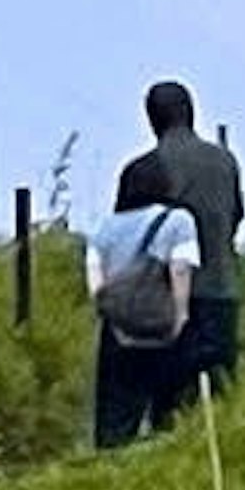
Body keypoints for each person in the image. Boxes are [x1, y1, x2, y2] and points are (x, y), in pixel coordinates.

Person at [115, 80, 245, 400]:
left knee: (168, 404)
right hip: (221, 297)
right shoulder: (225, 163)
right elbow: (235, 217)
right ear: (191, 113)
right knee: (219, 402)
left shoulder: (142, 170)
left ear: (151, 119)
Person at [86, 171, 203, 451]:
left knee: (115, 424)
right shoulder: (178, 220)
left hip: (118, 335)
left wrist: (116, 321)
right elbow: (180, 269)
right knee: (170, 418)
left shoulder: (103, 228)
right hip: (164, 331)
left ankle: (110, 479)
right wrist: (180, 317)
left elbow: (95, 286)